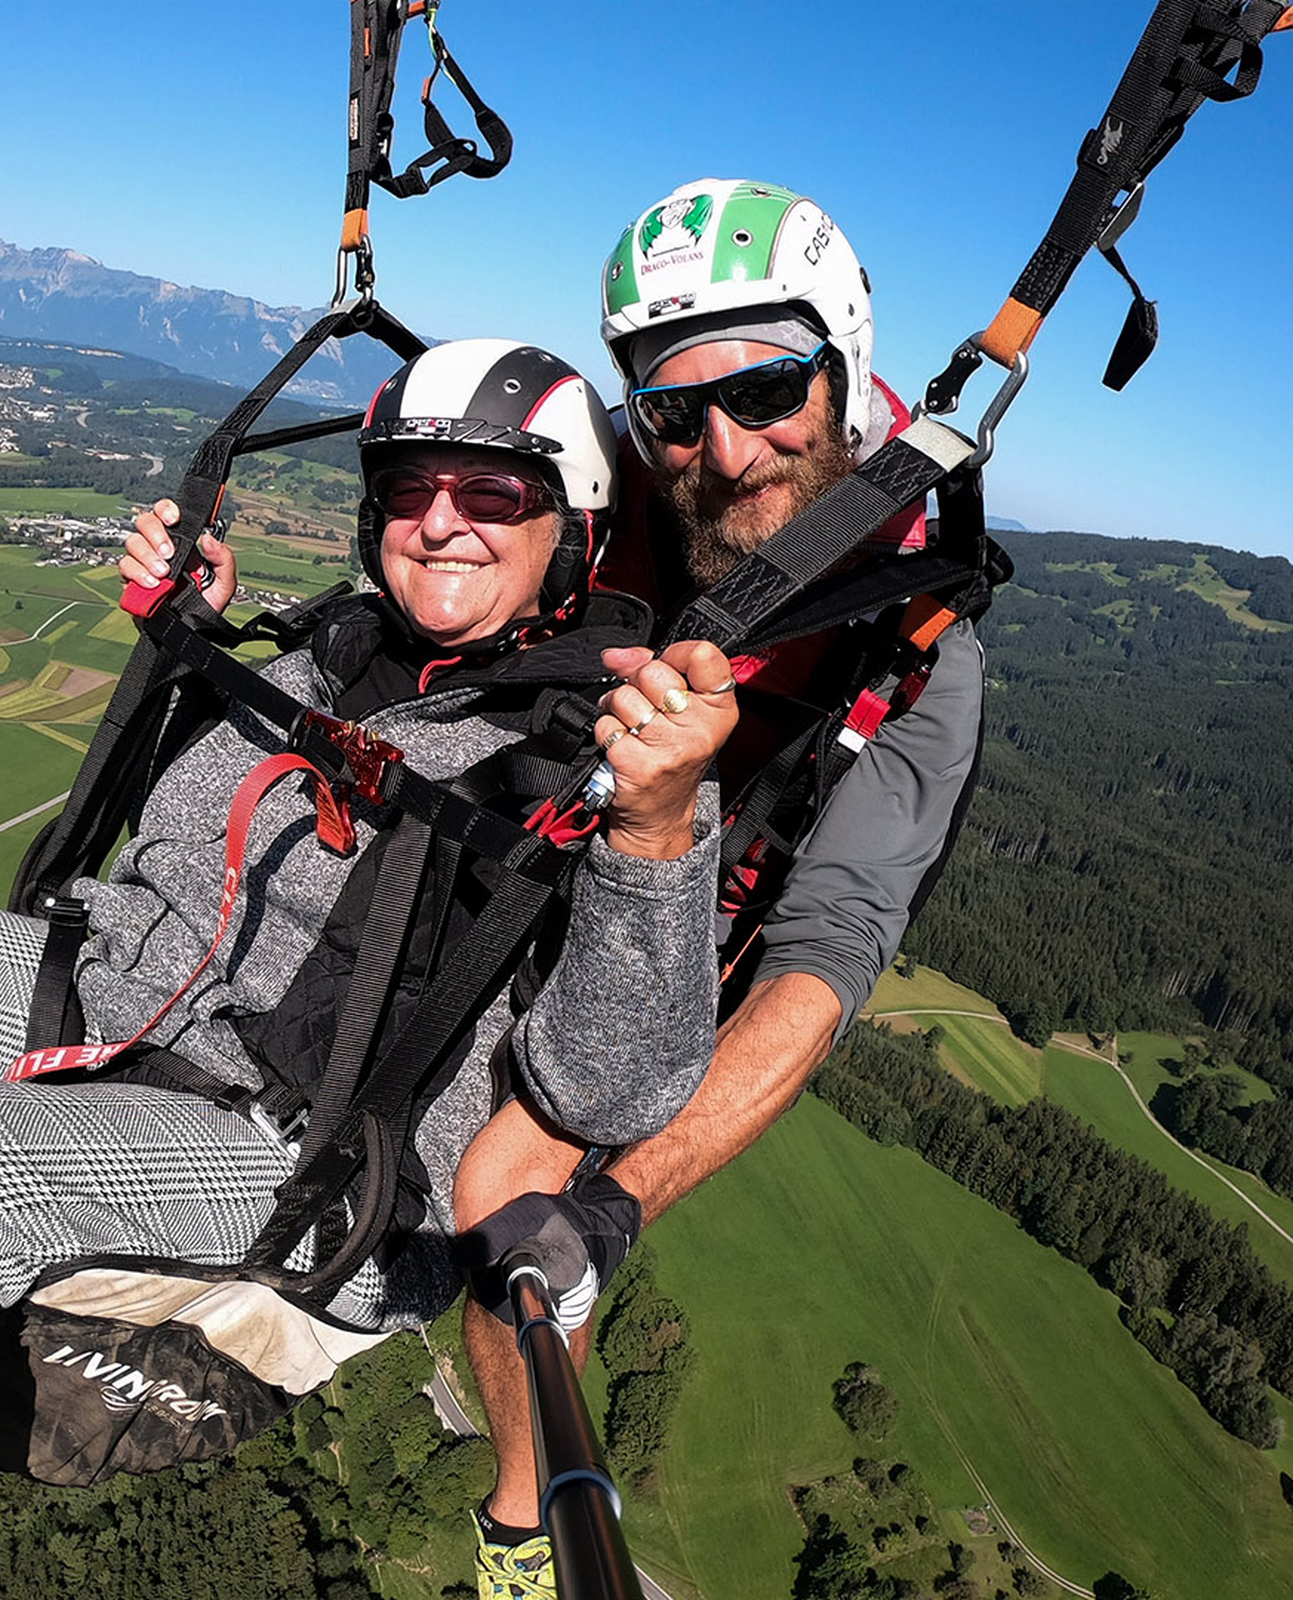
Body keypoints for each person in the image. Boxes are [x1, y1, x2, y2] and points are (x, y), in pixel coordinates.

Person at [0, 337, 739, 1600]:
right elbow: (187, 844)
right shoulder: (335, 648)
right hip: (137, 990)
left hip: (315, 1152)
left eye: (492, 494)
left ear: (571, 529)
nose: (439, 523)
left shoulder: (613, 750)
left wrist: (653, 833)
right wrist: (184, 634)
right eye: (409, 489)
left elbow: (617, 1086)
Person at [455, 181, 990, 1596]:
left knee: (510, 1212)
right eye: (677, 414)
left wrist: (620, 1202)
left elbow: (827, 953)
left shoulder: (917, 639)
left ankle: (525, 1524)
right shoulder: (630, 486)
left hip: (685, 933)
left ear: (840, 370)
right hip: (527, 851)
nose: (726, 448)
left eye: (765, 391)